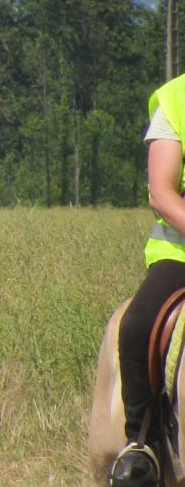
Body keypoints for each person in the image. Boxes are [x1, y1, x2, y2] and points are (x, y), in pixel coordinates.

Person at [107, 72, 185, 487]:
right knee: (136, 326)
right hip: (182, 253)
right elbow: (162, 192)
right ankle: (143, 444)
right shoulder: (176, 99)